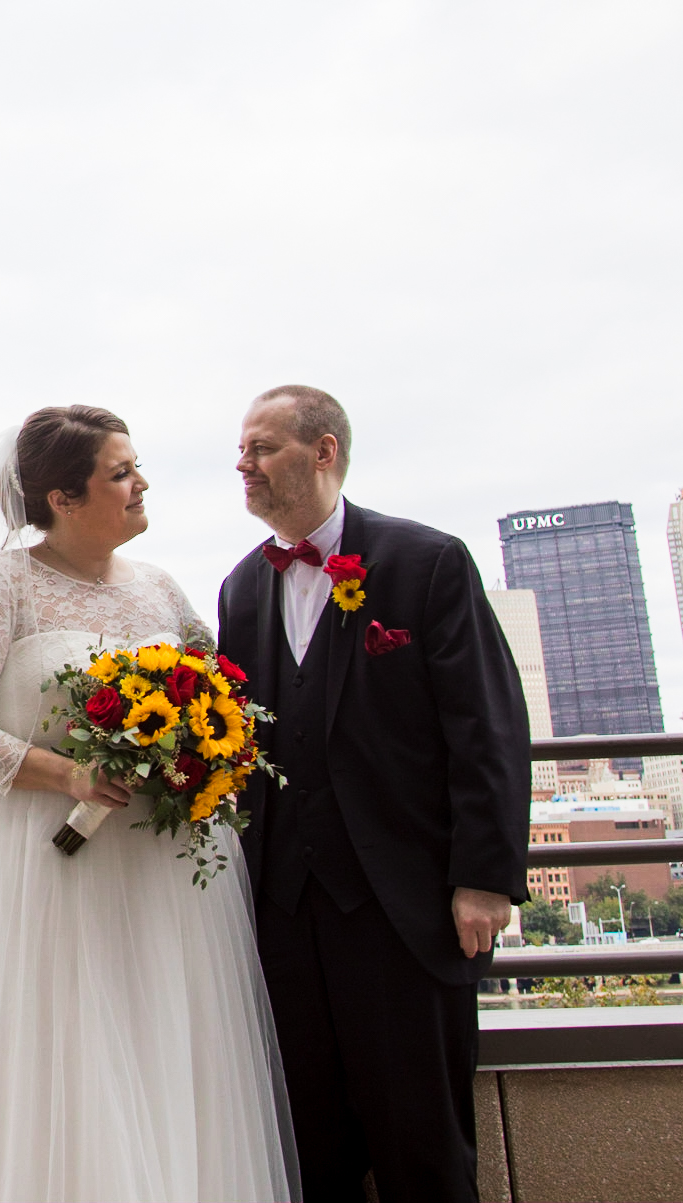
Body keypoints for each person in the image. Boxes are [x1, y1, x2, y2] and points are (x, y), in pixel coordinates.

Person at [0, 405, 296, 1202]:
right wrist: (63, 774)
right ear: (64, 497)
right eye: (121, 472)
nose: (141, 484)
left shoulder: (163, 590)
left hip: (163, 877)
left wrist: (200, 753)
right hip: (41, 869)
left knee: (164, 1050)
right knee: (56, 1060)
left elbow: (221, 700)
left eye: (136, 467)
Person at [217, 385, 530, 1203]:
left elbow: (485, 725)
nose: (242, 464)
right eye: (241, 450)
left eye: (262, 447)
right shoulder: (240, 588)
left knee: (421, 1143)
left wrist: (485, 877)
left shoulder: (428, 561)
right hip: (282, 917)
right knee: (306, 1149)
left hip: (405, 910)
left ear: (323, 451)